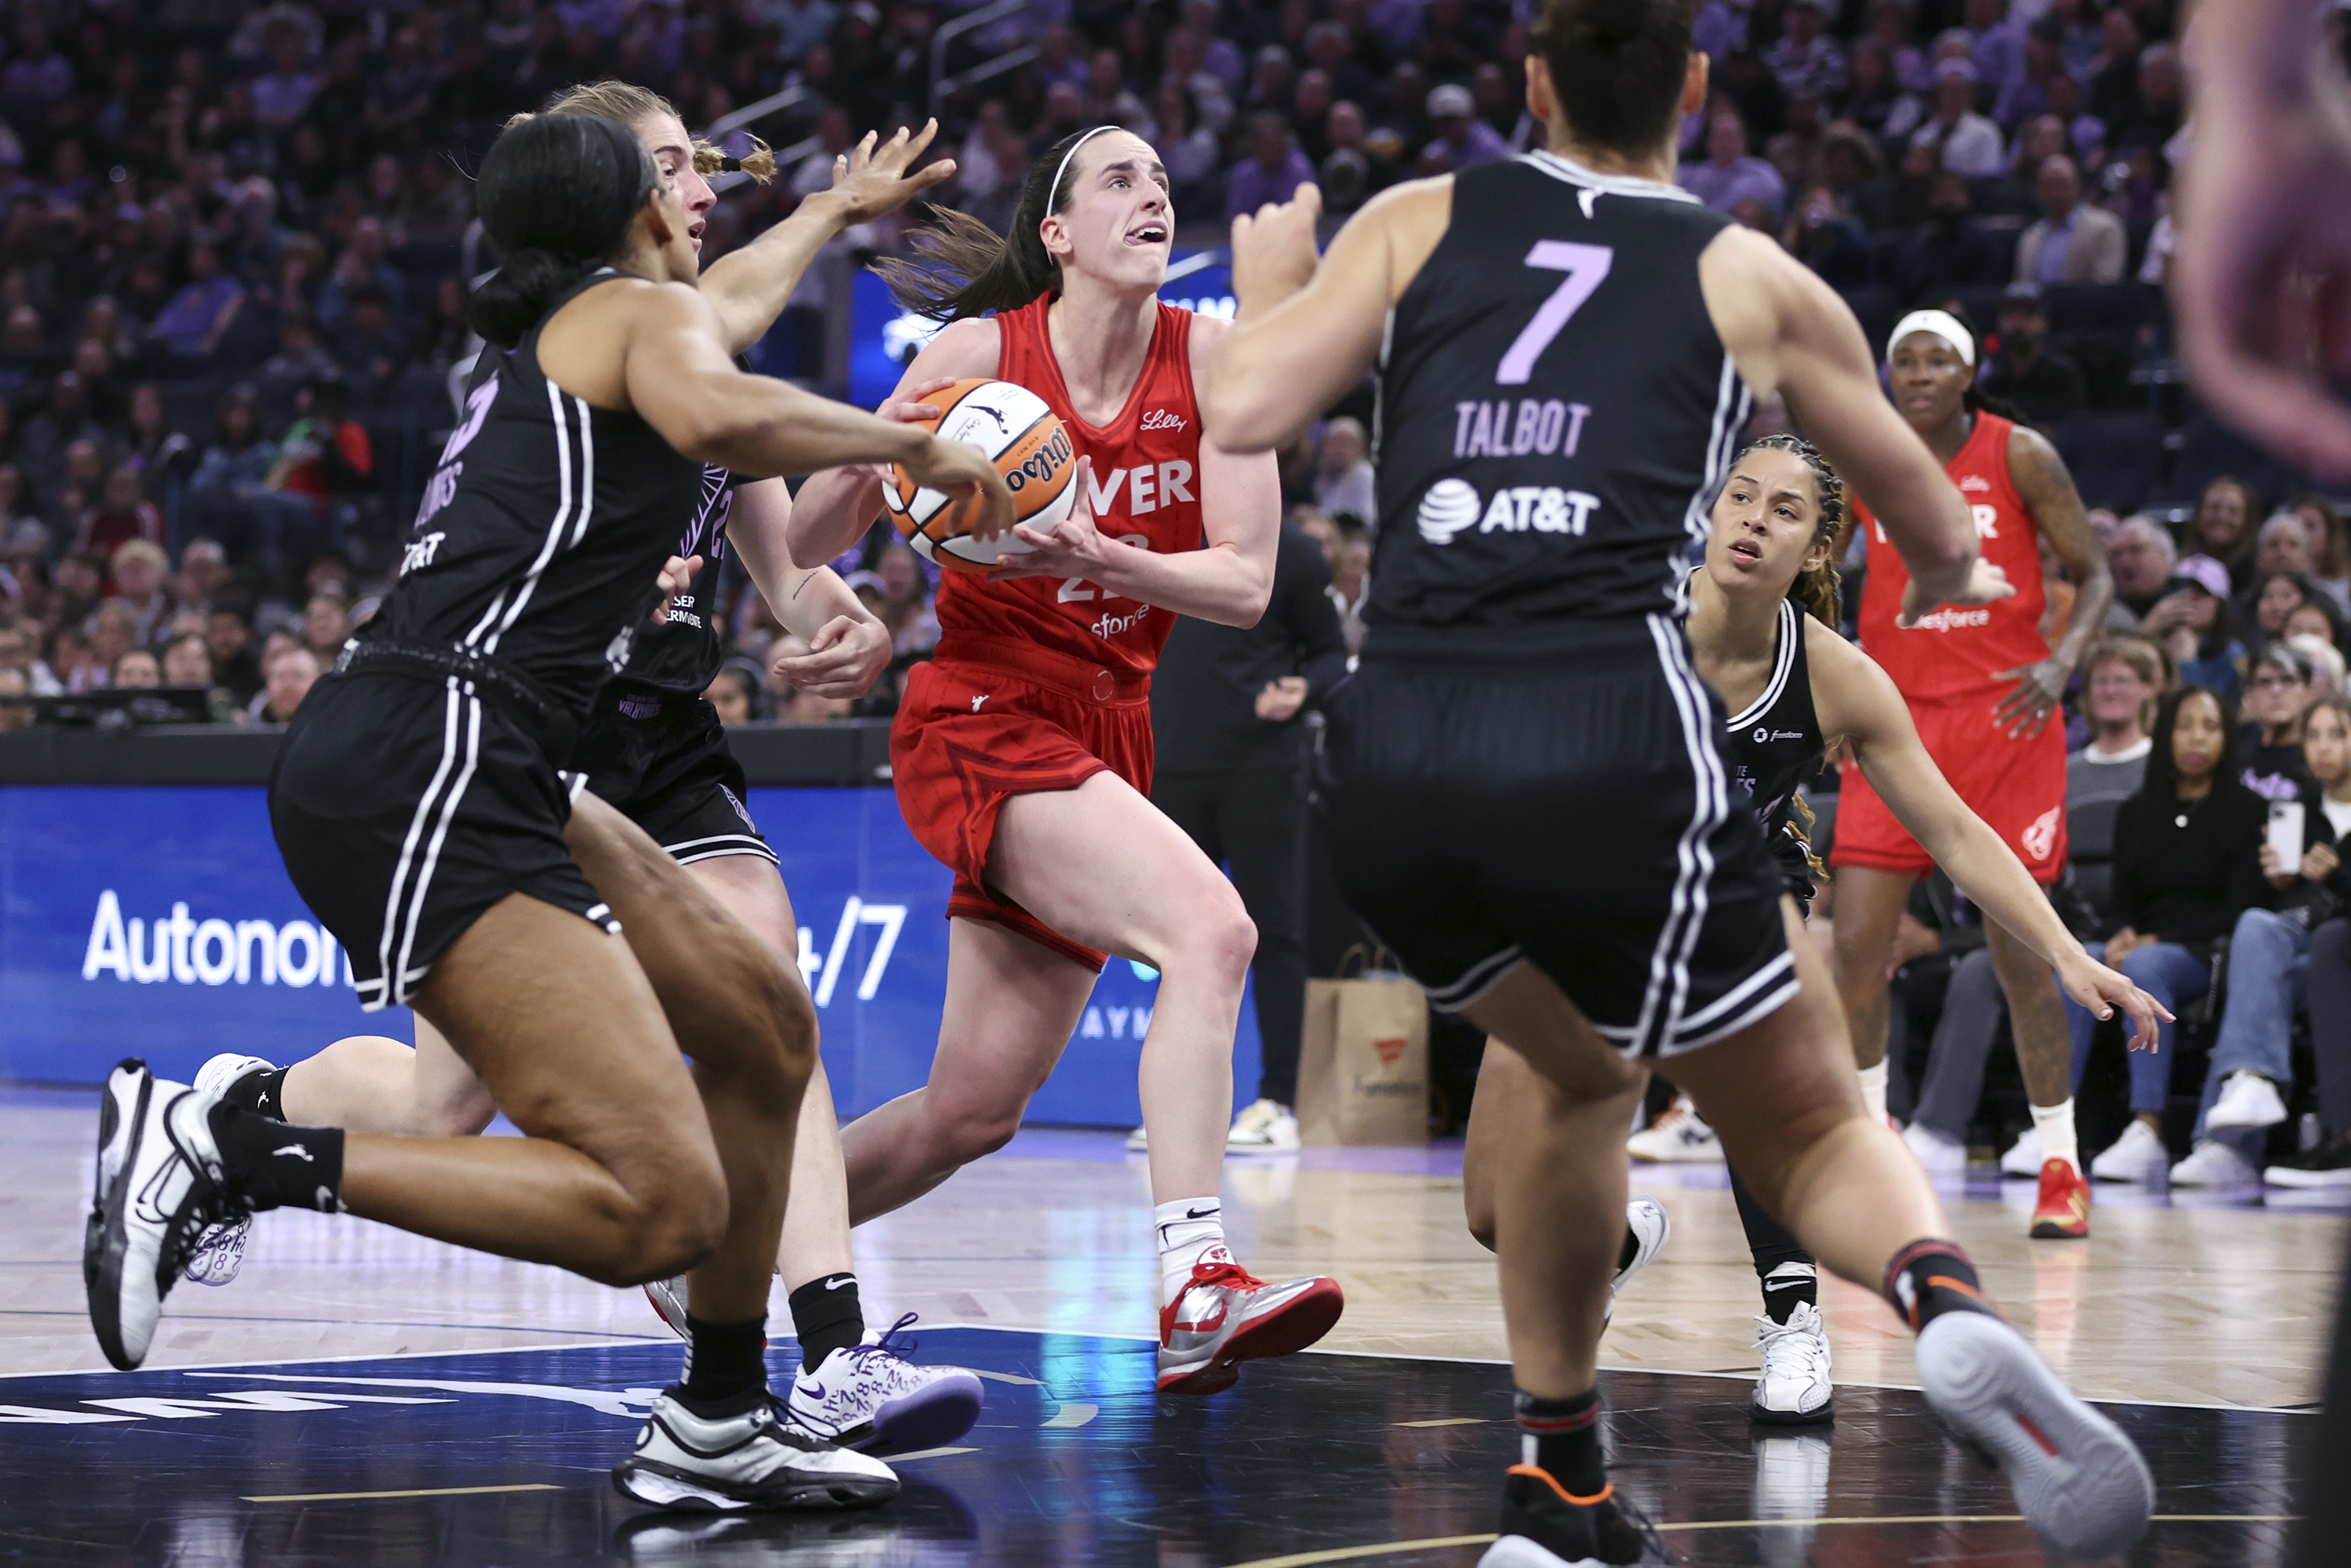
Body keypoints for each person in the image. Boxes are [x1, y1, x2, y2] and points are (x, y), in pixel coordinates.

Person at [1198, 1, 2155, 1559]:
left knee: (1577, 1073)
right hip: (1603, 739)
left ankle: (1559, 1479)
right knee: (1806, 1126)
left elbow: (1241, 406)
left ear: (1529, 83)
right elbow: (1946, 538)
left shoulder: (1416, 216)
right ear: (1697, 92)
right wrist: (1932, 530)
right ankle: (1949, 1304)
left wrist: (1270, 287)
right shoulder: (1744, 271)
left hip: (1393, 755)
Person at [81, 109, 1011, 1519]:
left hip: (503, 755)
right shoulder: (633, 318)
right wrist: (915, 451)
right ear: (639, 206)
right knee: (661, 1203)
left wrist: (829, 211)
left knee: (766, 1026)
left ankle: (716, 1413)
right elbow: (721, 413)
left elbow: (733, 316)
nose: (710, 191)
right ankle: (227, 1149)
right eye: (684, 174)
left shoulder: (624, 312)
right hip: (432, 747)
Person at [788, 122, 1346, 1397]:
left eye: (1160, 180)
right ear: (1057, 231)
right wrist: (894, 452)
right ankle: (1196, 1277)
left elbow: (1247, 583)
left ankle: (725, 1238)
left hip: (1112, 724)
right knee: (1212, 929)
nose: (1152, 195)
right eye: (1118, 178)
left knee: (971, 1112)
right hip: (982, 706)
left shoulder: (1214, 361)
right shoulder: (981, 357)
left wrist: (1096, 556)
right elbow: (814, 528)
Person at [1460, 435, 2158, 1424]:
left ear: (1818, 551)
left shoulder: (1838, 677)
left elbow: (1956, 831)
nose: (1752, 519)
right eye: (1740, 497)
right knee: (1495, 1213)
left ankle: (1793, 1319)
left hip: (1738, 900)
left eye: (1783, 510)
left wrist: (2068, 953)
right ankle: (1616, 1241)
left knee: (1762, 1093)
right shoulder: (1623, 621)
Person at [1827, 306, 2116, 1238]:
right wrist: (1827, 680)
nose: (1914, 373)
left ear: (1966, 372)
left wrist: (2062, 661)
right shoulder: (1866, 461)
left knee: (2022, 960)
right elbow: (1819, 580)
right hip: (1895, 725)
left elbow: (2095, 573)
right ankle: (1872, 1152)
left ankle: (2060, 1163)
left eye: (1933, 359)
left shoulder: (2020, 453)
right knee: (1856, 949)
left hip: (2007, 722)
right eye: (1901, 360)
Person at [1142, 508, 1349, 1153]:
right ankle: (1177, 1109)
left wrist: (1301, 689)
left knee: (1275, 932)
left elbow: (1331, 655)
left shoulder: (1293, 551)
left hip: (1263, 768)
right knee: (1174, 944)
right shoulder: (1151, 542)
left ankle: (1276, 1101)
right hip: (1169, 764)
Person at [2065, 686, 2271, 1182]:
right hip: (2143, 943)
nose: (2196, 737)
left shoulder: (2246, 809)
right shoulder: (2137, 810)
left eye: (2210, 726)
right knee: (2077, 961)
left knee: (2146, 966)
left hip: (2205, 951)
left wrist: (2153, 941)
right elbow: (2122, 900)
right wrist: (2120, 934)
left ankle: (2148, 1127)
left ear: (2227, 738)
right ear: (2166, 734)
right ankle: (2055, 1119)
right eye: (2185, 725)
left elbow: (2239, 911)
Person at [2170, 694, 2351, 1186]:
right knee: (2255, 933)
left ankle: (2226, 1142)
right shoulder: (2298, 811)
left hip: (2337, 948)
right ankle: (2247, 1088)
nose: (2323, 748)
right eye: (2313, 735)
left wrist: (2335, 877)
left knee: (2262, 974)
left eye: (2338, 734)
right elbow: (2255, 905)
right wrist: (2276, 880)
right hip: (2296, 945)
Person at [2067, 636, 2165, 808]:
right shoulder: (2067, 772)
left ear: (2147, 688)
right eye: (2101, 681)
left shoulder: (2162, 766)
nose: (2110, 691)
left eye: (2122, 680)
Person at [2137, 553, 2244, 704]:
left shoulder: (2231, 655)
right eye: (2182, 587)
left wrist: (2187, 664)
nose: (2188, 597)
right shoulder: (2154, 642)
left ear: (2219, 605)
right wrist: (2148, 628)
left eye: (2202, 591)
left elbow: (2205, 710)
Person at [2243, 639, 2320, 801]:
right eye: (2265, 682)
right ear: (2249, 697)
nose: (2276, 691)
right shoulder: (2234, 761)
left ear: (2309, 694)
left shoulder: (2319, 763)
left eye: (2287, 680)